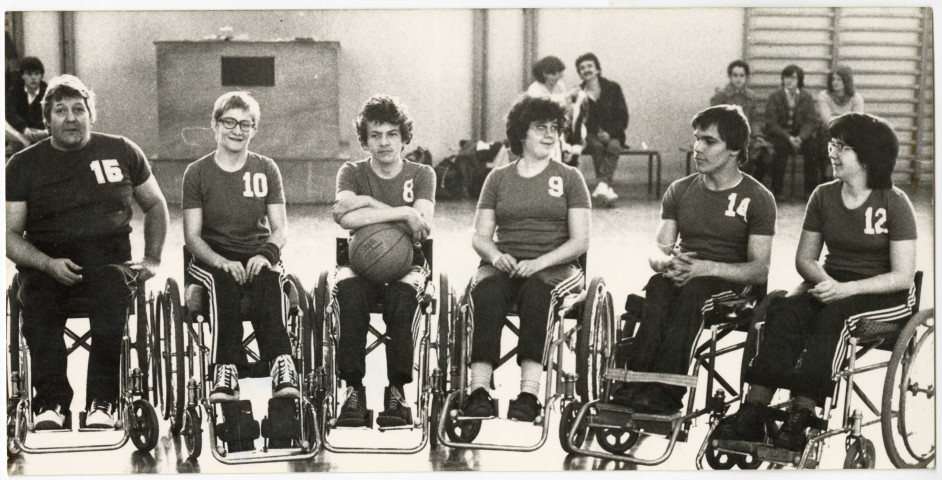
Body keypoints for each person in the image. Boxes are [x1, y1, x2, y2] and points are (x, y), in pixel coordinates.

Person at [713, 113, 917, 452]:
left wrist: (845, 290)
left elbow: (902, 275)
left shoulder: (894, 203)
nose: (832, 152)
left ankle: (804, 410)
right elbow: (805, 260)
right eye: (831, 145)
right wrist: (828, 283)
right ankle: (755, 405)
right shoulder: (823, 195)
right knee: (786, 308)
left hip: (884, 290)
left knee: (834, 317)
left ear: (867, 155)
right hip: (833, 281)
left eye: (842, 147)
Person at [5, 74, 169, 429]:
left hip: (109, 263)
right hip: (46, 266)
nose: (71, 118)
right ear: (46, 119)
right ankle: (51, 404)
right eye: (60, 111)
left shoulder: (122, 150)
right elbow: (10, 237)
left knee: (113, 297)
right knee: (36, 302)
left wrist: (153, 258)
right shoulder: (22, 164)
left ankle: (103, 402)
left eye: (78, 109)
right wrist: (47, 264)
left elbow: (156, 205)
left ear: (91, 114)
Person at [614, 105, 776, 415]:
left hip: (730, 284)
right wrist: (663, 264)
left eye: (709, 141)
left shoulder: (758, 198)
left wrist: (706, 268)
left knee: (694, 293)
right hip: (685, 275)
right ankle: (633, 383)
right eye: (697, 138)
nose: (697, 148)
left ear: (733, 150)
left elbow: (759, 269)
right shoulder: (680, 190)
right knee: (659, 287)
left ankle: (667, 392)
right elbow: (658, 248)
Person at [461, 95, 591, 422]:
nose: (550, 135)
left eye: (554, 128)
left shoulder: (571, 178)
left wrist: (540, 263)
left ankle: (529, 393)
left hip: (557, 267)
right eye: (540, 128)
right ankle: (479, 390)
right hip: (506, 261)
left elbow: (580, 241)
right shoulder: (498, 178)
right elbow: (480, 236)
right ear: (522, 134)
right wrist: (495, 255)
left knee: (538, 292)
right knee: (486, 291)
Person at [183, 91, 300, 405]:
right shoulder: (196, 173)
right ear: (215, 125)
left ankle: (282, 364)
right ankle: (226, 366)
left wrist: (266, 254)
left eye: (245, 125)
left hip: (256, 252)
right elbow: (192, 237)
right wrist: (222, 262)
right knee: (223, 282)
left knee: (271, 277)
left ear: (255, 129)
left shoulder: (266, 168)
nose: (237, 130)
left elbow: (280, 228)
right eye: (230, 122)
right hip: (211, 257)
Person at [332, 94, 436, 428]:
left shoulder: (422, 174)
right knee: (349, 294)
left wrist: (367, 207)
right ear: (364, 140)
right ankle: (353, 390)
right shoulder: (352, 170)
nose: (384, 142)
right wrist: (400, 213)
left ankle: (397, 391)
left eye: (392, 134)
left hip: (410, 262)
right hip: (359, 262)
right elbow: (344, 217)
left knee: (401, 297)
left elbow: (422, 222)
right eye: (375, 135)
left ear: (404, 137)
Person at [570, 52, 628, 204]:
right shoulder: (579, 93)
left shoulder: (613, 88)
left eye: (590, 66)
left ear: (597, 69)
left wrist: (609, 133)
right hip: (589, 135)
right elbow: (577, 120)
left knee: (614, 147)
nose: (586, 70)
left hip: (613, 134)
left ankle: (603, 185)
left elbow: (623, 116)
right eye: (582, 68)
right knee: (596, 147)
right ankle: (605, 187)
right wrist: (595, 133)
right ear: (580, 74)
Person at [762, 64, 819, 200]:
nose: (789, 81)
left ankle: (810, 191)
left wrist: (801, 137)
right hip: (781, 136)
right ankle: (778, 191)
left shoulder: (807, 97)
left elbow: (811, 121)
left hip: (801, 137)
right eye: (786, 77)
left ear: (799, 80)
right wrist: (788, 137)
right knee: (779, 148)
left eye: (793, 77)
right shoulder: (775, 97)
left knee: (812, 149)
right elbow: (771, 123)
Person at [710, 60, 773, 177]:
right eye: (735, 75)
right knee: (740, 152)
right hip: (725, 137)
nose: (738, 79)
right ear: (730, 77)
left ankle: (753, 187)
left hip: (746, 136)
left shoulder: (751, 96)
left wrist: (758, 136)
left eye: (741, 75)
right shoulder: (720, 96)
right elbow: (714, 122)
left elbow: (754, 121)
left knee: (764, 151)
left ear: (746, 77)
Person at [812, 66, 864, 186]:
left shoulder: (856, 98)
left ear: (847, 81)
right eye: (833, 79)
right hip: (828, 133)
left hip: (850, 134)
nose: (835, 83)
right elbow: (828, 121)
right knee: (829, 146)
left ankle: (853, 183)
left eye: (839, 79)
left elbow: (858, 121)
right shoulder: (824, 96)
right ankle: (827, 182)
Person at [6, 56, 49, 155]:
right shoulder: (15, 91)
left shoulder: (47, 92)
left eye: (37, 74)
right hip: (21, 132)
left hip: (41, 132)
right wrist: (24, 129)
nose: (33, 78)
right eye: (29, 74)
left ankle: (28, 144)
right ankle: (26, 143)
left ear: (41, 76)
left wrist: (42, 132)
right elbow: (10, 112)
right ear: (22, 76)